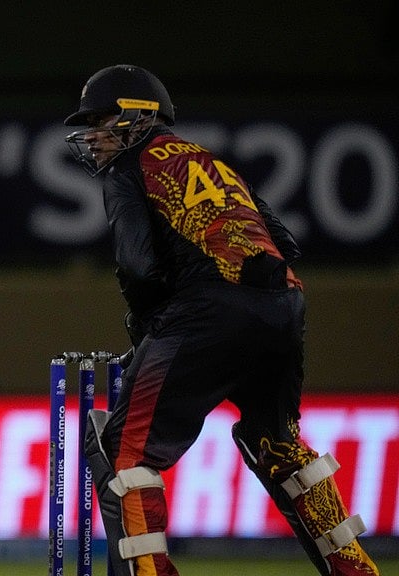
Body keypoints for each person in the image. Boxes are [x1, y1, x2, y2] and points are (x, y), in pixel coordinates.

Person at [63, 64, 380, 576]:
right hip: (283, 303)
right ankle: (355, 570)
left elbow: (138, 267)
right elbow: (287, 244)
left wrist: (150, 327)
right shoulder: (213, 164)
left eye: (103, 120)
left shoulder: (130, 169)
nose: (95, 136)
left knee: (125, 455)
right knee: (279, 444)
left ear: (139, 117)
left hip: (207, 311)